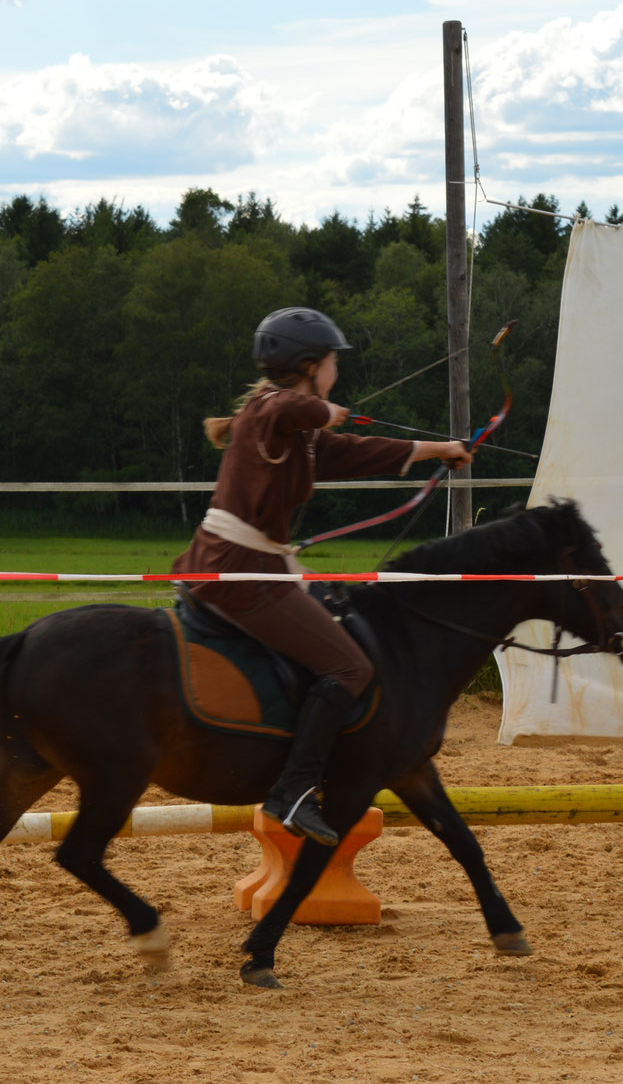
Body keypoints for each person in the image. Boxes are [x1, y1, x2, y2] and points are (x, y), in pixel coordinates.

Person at [171, 307, 471, 845]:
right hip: (240, 571)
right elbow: (290, 407)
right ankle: (294, 789)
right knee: (349, 666)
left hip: (255, 565)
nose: (337, 369)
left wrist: (439, 450)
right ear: (310, 366)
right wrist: (325, 410)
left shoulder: (295, 428)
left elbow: (362, 451)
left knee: (341, 623)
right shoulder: (271, 412)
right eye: (332, 361)